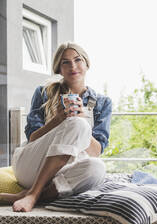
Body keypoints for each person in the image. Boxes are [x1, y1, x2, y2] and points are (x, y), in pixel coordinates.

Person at [0, 42, 112, 212]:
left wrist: (80, 119)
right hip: (30, 166)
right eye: (65, 62)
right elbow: (32, 138)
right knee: (77, 124)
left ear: (87, 64)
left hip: (62, 172)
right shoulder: (44, 92)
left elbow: (96, 152)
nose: (73, 66)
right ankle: (34, 193)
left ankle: (26, 195)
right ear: (59, 69)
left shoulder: (102, 103)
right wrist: (59, 119)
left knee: (98, 168)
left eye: (78, 60)